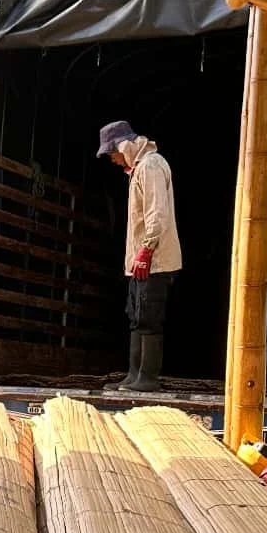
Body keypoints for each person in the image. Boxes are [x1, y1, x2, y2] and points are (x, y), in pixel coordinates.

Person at [97, 120, 181, 391]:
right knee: (136, 315)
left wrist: (146, 249)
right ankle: (134, 375)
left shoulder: (152, 166)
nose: (113, 161)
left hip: (154, 260)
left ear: (122, 146)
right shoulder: (139, 169)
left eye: (113, 155)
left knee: (149, 317)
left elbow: (157, 214)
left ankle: (148, 377)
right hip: (139, 262)